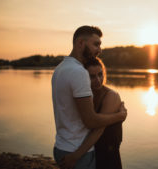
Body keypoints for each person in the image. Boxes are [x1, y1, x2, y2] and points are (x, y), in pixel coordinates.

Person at [52, 26, 127, 169]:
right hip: (77, 151)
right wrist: (120, 115)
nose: (100, 50)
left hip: (62, 146)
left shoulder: (60, 69)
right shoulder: (78, 72)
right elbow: (91, 121)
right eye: (96, 44)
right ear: (81, 43)